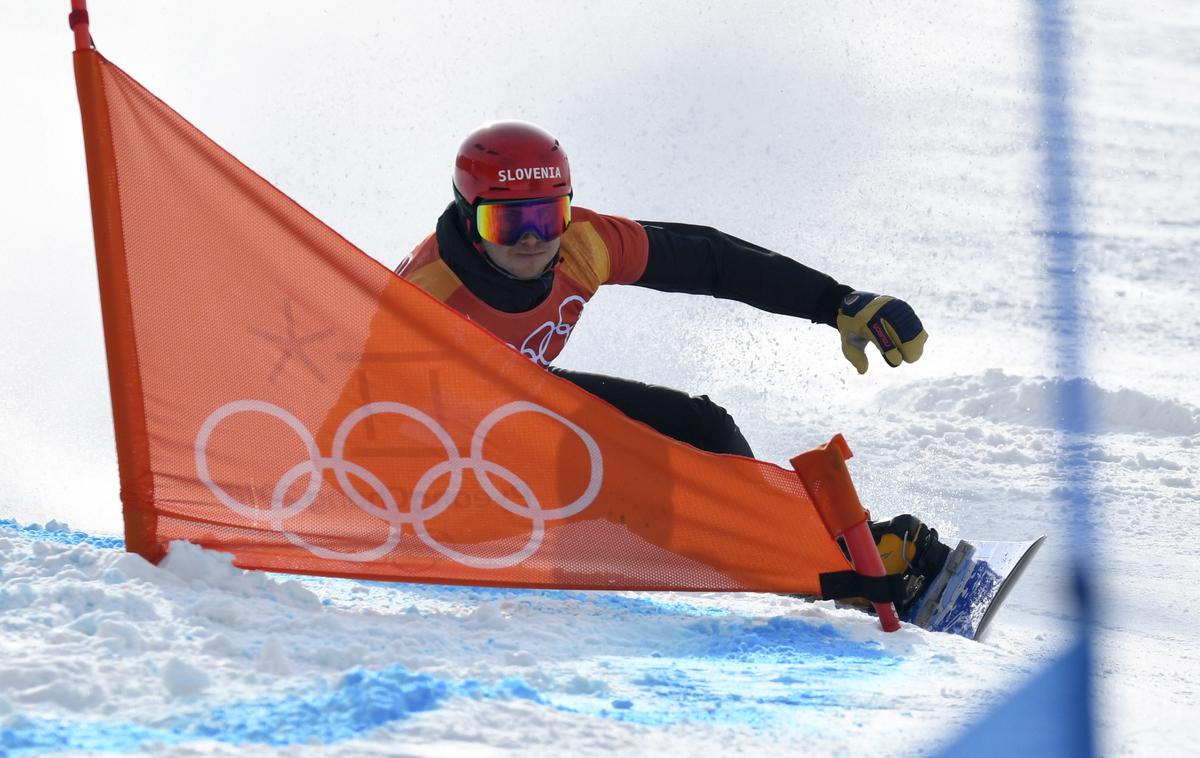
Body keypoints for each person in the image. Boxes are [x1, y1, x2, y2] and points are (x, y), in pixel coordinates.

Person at [396, 120, 946, 612]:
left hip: (517, 405)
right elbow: (361, 413)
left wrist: (836, 302)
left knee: (700, 430)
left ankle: (830, 558)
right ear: (470, 222)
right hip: (445, 454)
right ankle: (804, 566)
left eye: (547, 215)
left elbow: (708, 260)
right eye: (507, 225)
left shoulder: (584, 245)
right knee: (619, 474)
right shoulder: (426, 300)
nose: (534, 240)